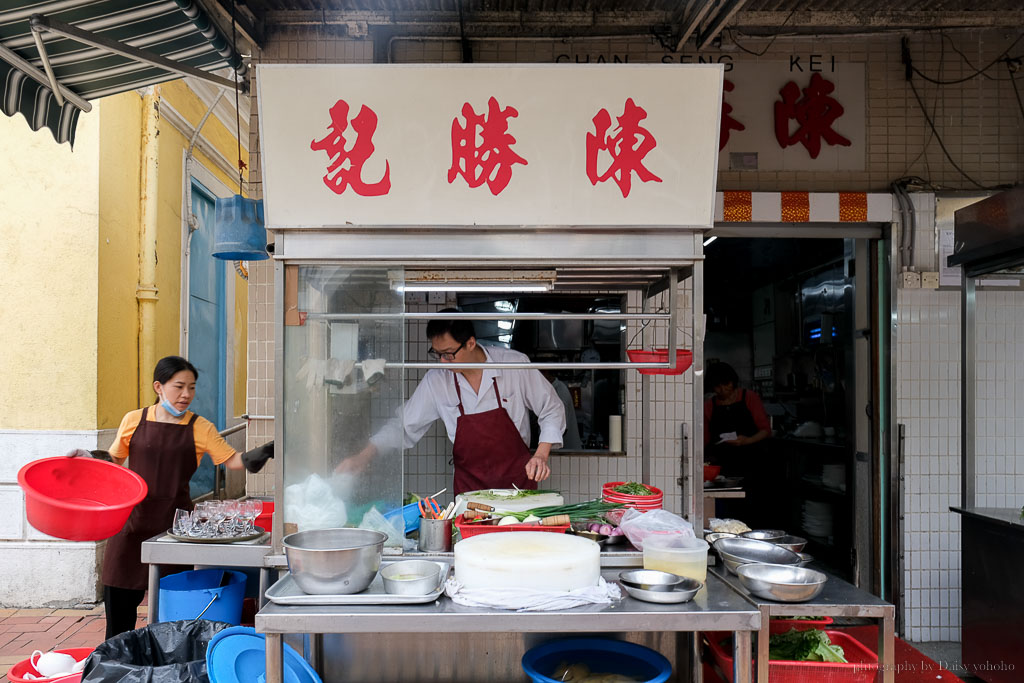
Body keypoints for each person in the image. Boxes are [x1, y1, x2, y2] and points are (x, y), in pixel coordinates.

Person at [67, 356, 274, 639]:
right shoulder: (134, 419)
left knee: (174, 621)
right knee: (118, 621)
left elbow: (233, 460)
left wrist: (269, 449)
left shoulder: (201, 427)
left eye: (191, 387)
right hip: (129, 528)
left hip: (175, 531)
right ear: (158, 387)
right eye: (179, 386)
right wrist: (89, 457)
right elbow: (114, 459)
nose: (186, 394)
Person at [339, 313, 566, 494]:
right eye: (437, 354)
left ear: (470, 343)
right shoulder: (437, 380)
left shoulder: (513, 364)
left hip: (517, 488)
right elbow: (403, 425)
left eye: (448, 354)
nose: (442, 362)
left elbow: (551, 408)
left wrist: (541, 454)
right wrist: (364, 455)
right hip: (470, 494)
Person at [703, 362, 771, 470]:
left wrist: (747, 440)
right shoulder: (709, 406)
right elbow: (705, 439)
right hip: (722, 463)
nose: (723, 389)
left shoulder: (749, 397)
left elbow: (765, 430)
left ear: (733, 381)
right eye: (717, 386)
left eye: (726, 384)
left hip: (753, 460)